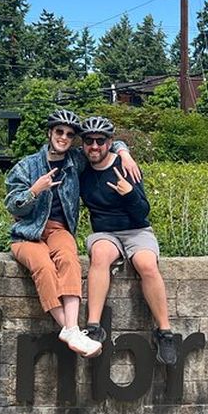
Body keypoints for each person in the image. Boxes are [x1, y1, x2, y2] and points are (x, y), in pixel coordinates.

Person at [4, 109, 141, 358]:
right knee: (43, 266)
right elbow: (12, 205)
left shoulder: (74, 161)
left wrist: (124, 152)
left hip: (58, 229)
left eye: (69, 134)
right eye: (59, 132)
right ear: (50, 133)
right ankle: (70, 329)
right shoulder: (27, 166)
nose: (64, 137)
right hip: (26, 233)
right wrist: (34, 191)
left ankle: (71, 330)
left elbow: (104, 143)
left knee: (69, 257)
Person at [77, 116, 177, 366]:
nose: (95, 146)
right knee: (99, 256)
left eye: (101, 140)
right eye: (89, 140)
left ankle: (164, 332)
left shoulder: (125, 167)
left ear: (109, 142)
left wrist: (130, 193)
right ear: (83, 144)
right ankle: (93, 326)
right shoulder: (81, 167)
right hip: (105, 233)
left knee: (146, 264)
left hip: (136, 229)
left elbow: (142, 212)